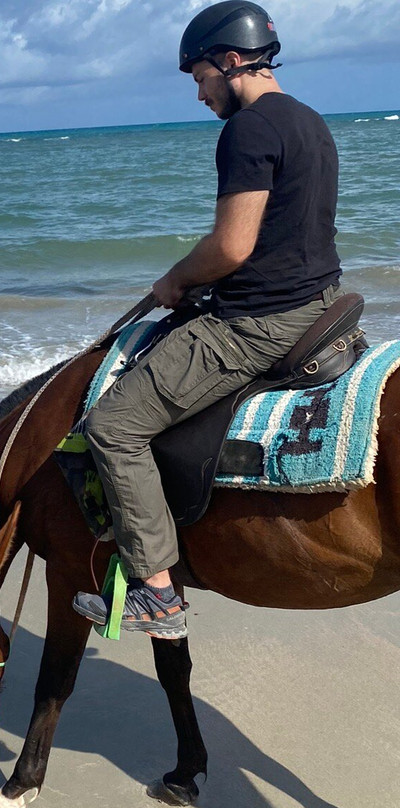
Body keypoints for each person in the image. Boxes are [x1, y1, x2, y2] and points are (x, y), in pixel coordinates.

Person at [71, 1, 343, 639]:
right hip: (318, 301)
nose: (199, 94)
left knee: (113, 427)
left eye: (199, 78)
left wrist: (175, 279)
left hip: (259, 323)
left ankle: (158, 595)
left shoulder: (247, 131)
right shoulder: (310, 121)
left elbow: (231, 247)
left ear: (230, 61)